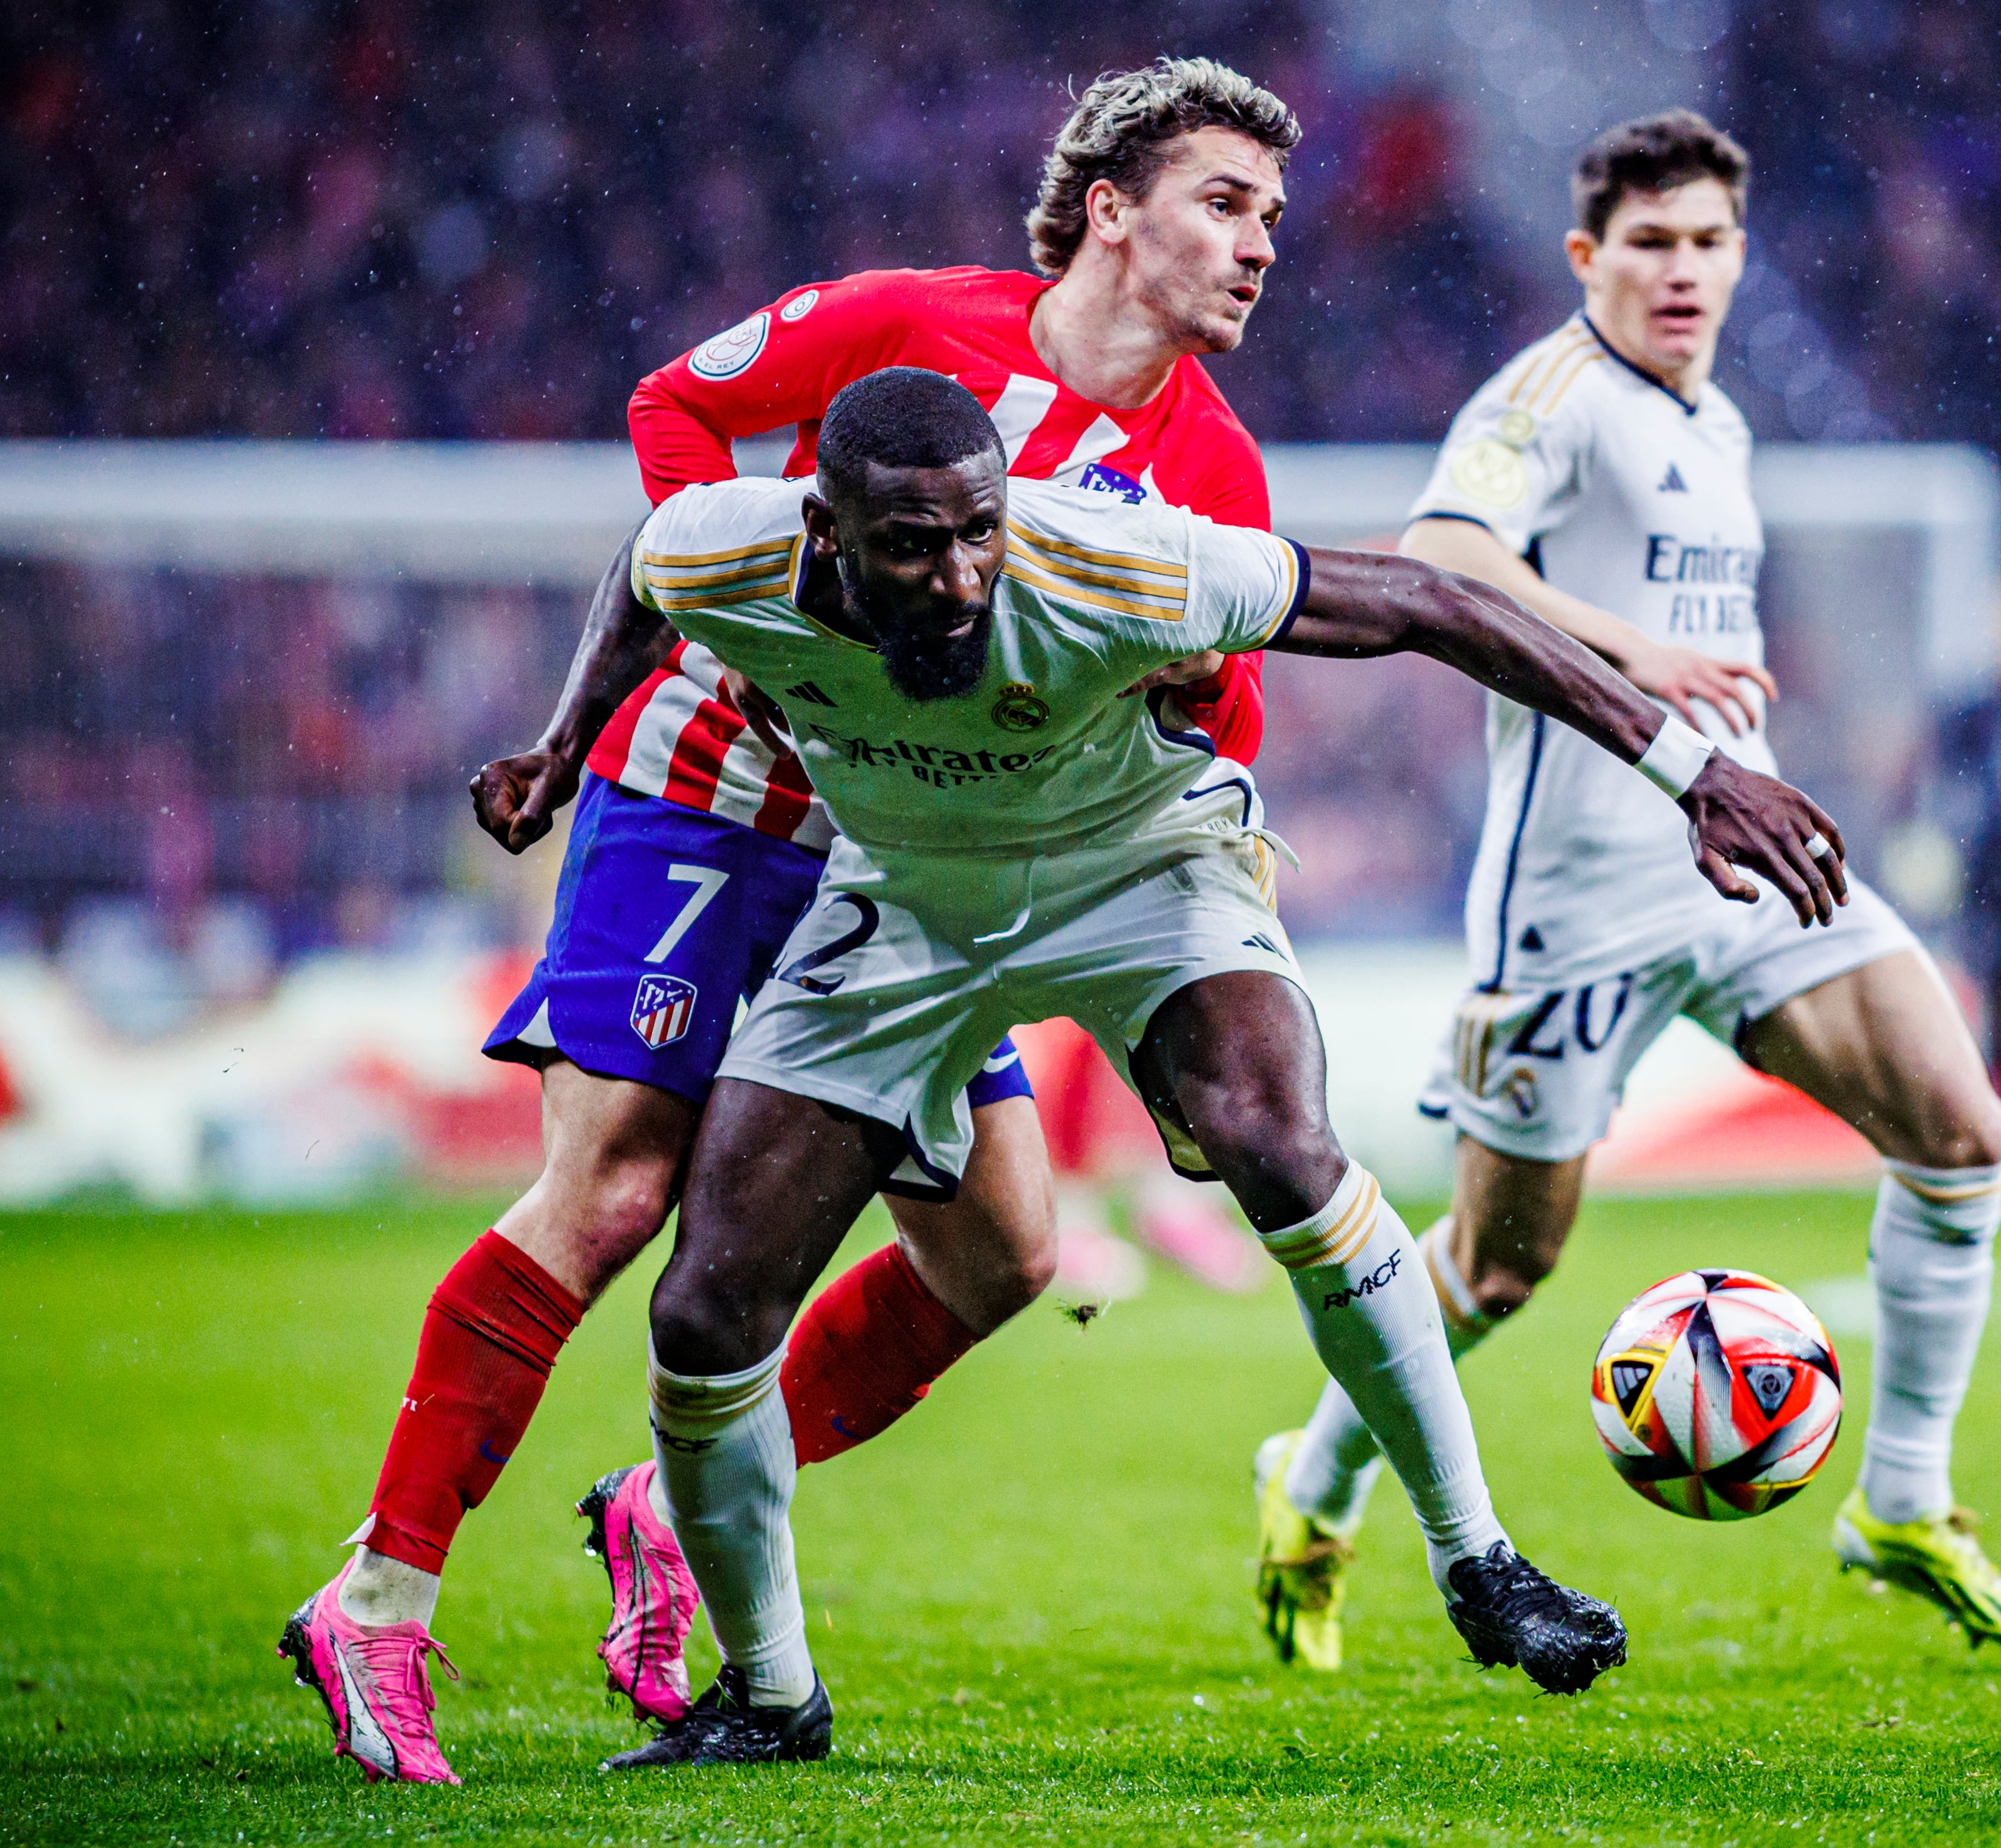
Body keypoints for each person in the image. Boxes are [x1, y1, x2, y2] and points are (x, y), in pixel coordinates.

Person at [277, 56, 1299, 1786]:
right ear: (1110, 214)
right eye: (1227, 202)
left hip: (902, 869)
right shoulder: (912, 326)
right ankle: (377, 1601)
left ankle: (659, 1516)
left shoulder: (1212, 467)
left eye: (1274, 214)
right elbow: (676, 413)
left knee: (1001, 1257)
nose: (1263, 242)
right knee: (612, 1187)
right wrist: (754, 642)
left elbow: (1210, 743)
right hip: (701, 798)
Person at [593, 364, 1848, 1766]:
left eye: (977, 534)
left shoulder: (1113, 562)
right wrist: (555, 745)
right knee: (705, 1311)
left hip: (1140, 868)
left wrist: (1696, 772)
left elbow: (1436, 604)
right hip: (903, 896)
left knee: (1277, 1144)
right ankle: (769, 1698)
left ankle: (1479, 1561)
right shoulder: (723, 546)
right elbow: (641, 583)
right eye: (910, 546)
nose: (957, 580)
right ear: (823, 528)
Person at [1250, 110, 2001, 1676]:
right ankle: (1317, 1477)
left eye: (1707, 244)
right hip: (1579, 898)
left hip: (1736, 864)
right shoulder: (1549, 397)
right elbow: (1438, 558)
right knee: (1495, 1268)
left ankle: (1898, 1499)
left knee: (1961, 1133)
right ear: (1586, 256)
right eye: (1649, 244)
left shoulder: (1722, 424)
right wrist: (1637, 654)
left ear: (1739, 256)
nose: (1681, 270)